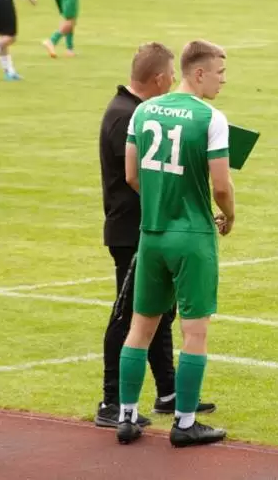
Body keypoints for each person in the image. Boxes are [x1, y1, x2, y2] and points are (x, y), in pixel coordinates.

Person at [116, 40, 234, 448]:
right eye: (220, 72)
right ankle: (185, 423)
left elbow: (131, 175)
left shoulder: (143, 110)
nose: (223, 80)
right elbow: (221, 186)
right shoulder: (211, 117)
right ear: (198, 73)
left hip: (152, 234)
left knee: (140, 327)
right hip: (192, 236)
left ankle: (126, 417)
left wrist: (159, 199)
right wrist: (229, 215)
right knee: (194, 332)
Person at [97, 42, 216, 428]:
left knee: (158, 315)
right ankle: (111, 401)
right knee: (129, 317)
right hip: (136, 230)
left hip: (149, 227)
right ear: (161, 78)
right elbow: (141, 177)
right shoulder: (126, 115)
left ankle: (168, 391)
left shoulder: (136, 112)